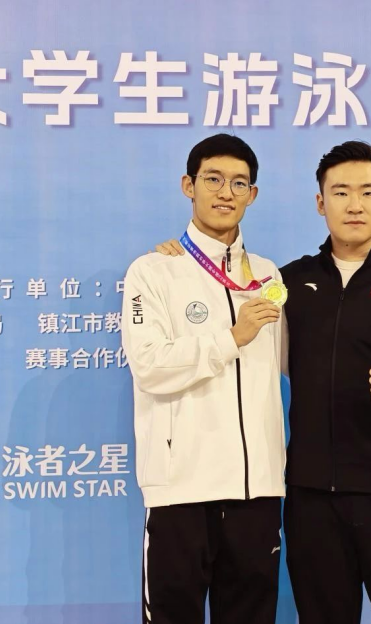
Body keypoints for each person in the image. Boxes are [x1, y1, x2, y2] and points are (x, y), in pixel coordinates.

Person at [155, 140, 371, 624]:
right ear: (321, 202)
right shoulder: (288, 283)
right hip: (312, 502)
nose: (355, 204)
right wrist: (177, 257)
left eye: (368, 192)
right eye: (341, 192)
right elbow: (229, 304)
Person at [121, 133, 286, 624]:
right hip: (181, 490)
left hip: (257, 491)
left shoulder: (270, 276)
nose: (226, 192)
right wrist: (230, 338)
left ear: (253, 194)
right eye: (213, 179)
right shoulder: (153, 271)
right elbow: (149, 365)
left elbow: (292, 363)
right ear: (188, 185)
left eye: (239, 183)